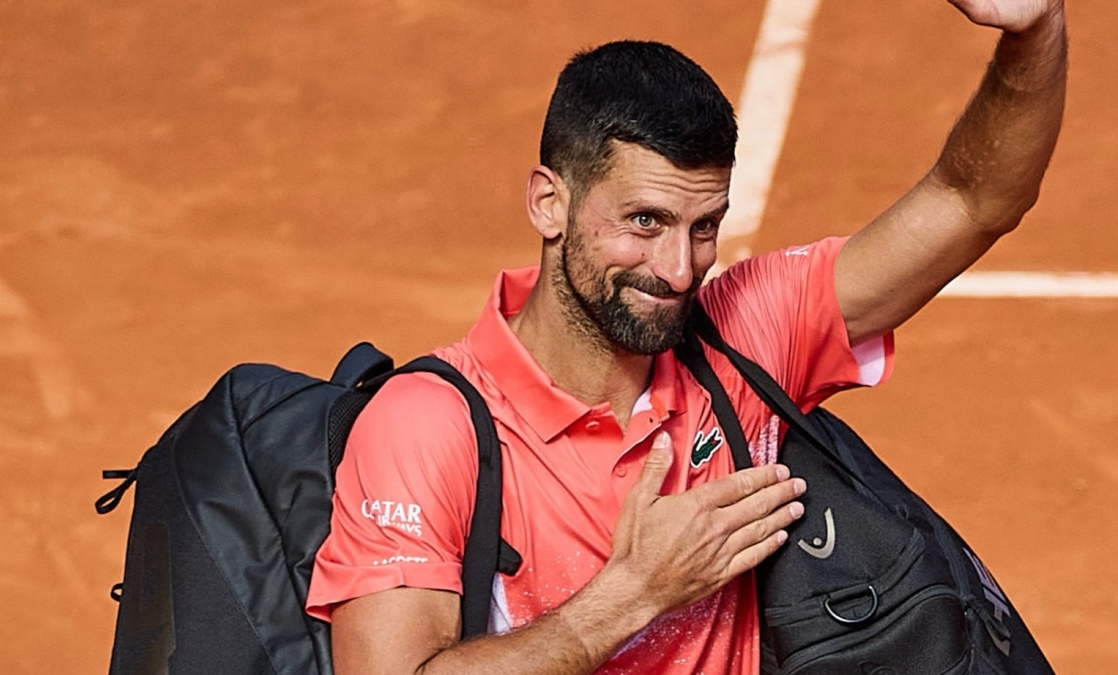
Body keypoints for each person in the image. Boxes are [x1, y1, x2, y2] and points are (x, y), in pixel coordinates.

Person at [306, 0, 1068, 672]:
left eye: (704, 227)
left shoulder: (744, 333)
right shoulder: (427, 427)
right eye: (645, 222)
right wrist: (632, 592)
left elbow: (973, 199)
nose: (678, 269)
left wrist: (1035, 31)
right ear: (549, 203)